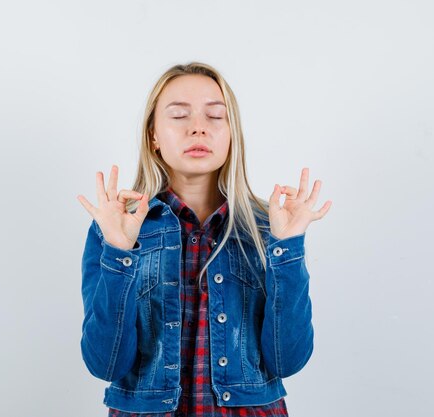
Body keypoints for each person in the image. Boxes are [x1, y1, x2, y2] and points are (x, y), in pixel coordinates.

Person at [76, 62, 331, 417]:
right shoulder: (116, 226)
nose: (198, 128)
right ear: (153, 136)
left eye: (215, 116)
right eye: (179, 116)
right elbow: (105, 364)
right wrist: (119, 252)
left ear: (231, 134)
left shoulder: (267, 227)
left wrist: (287, 247)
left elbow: (288, 359)